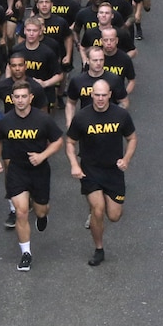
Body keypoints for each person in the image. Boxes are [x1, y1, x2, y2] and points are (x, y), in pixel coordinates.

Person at [65, 79, 137, 267]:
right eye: (97, 95)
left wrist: (126, 159)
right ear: (91, 95)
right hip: (91, 170)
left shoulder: (120, 115)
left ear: (110, 95)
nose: (100, 99)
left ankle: (101, 207)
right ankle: (99, 249)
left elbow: (132, 138)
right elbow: (70, 142)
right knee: (97, 210)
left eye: (104, 95)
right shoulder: (81, 117)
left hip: (113, 171)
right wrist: (74, 165)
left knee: (113, 216)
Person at [0, 82, 64, 272]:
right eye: (17, 97)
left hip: (39, 171)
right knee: (22, 211)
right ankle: (26, 253)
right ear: (12, 99)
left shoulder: (43, 119)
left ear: (31, 98)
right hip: (17, 170)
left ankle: (42, 215)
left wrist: (42, 156)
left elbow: (58, 141)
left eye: (24, 96)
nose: (21, 100)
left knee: (41, 210)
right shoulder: (6, 121)